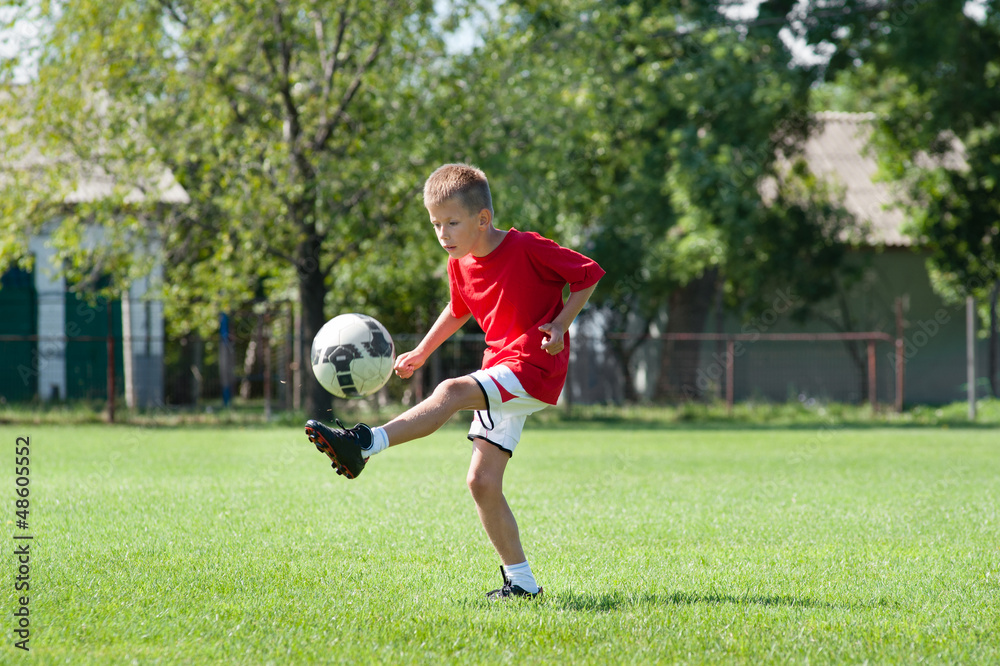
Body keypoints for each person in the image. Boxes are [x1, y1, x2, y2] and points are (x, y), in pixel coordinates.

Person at [305, 163, 604, 600]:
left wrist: (559, 325)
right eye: (435, 224)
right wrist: (422, 350)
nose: (443, 233)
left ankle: (364, 443)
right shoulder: (459, 261)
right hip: (499, 366)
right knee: (481, 483)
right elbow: (458, 308)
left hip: (533, 364)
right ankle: (522, 584)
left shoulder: (526, 247)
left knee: (449, 391)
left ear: (483, 219)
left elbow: (588, 273)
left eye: (452, 222)